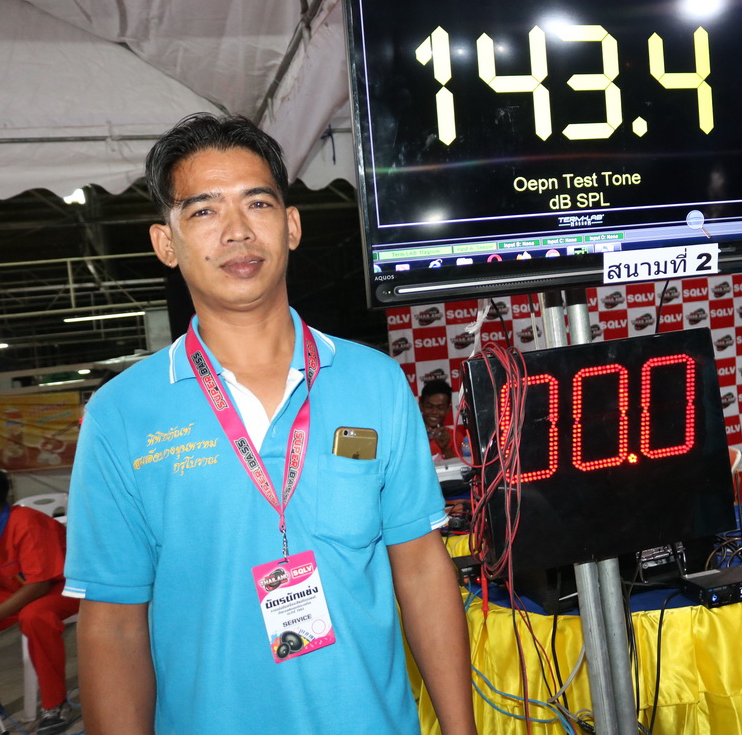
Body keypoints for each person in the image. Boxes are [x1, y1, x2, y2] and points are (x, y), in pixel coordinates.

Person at [63, 114, 477, 735]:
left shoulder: (375, 381)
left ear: (291, 225)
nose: (237, 230)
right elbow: (114, 624)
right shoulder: (122, 415)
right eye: (204, 210)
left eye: (257, 203)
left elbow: (419, 566)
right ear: (166, 243)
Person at [0, 468, 79, 734]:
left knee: (36, 616)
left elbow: (39, 585)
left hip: (62, 586)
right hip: (19, 588)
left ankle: (56, 705)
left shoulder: (26, 523)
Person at [420, 378, 456, 459]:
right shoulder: (408, 437)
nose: (434, 412)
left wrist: (445, 449)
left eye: (440, 408)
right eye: (429, 406)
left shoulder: (455, 438)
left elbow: (460, 466)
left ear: (448, 409)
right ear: (421, 406)